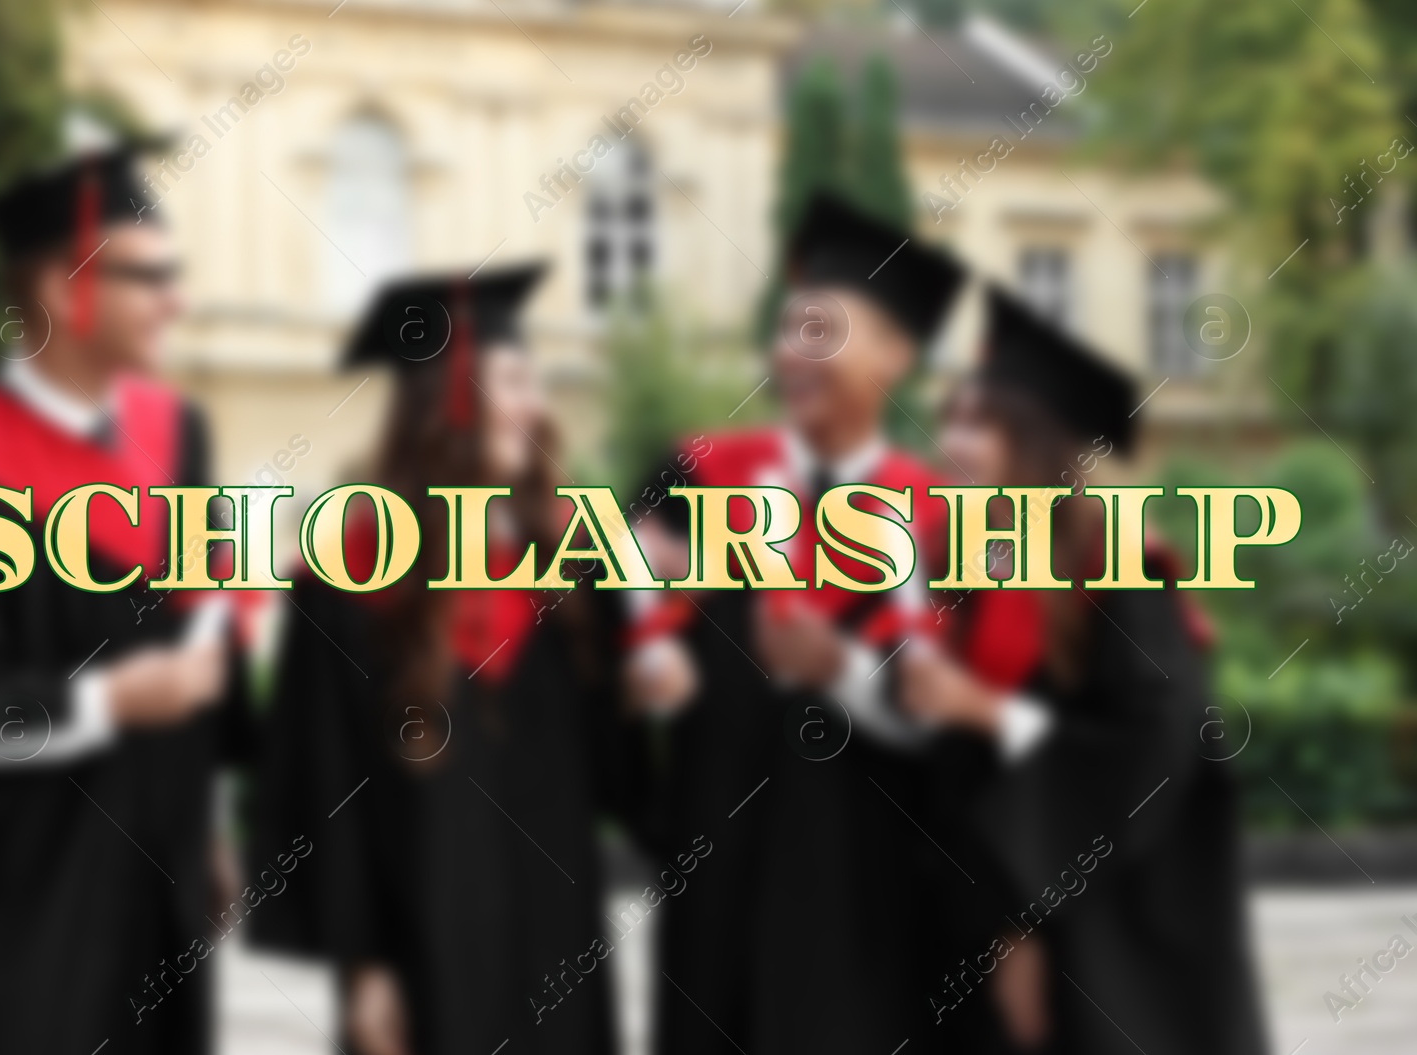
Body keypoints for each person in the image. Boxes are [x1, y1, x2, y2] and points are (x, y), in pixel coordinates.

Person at [0, 119, 251, 1055]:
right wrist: (110, 698)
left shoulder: (178, 436)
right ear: (62, 287)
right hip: (20, 909)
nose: (177, 302)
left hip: (154, 893)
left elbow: (203, 641)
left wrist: (207, 827)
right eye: (148, 277)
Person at [627, 190, 994, 1054]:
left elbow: (959, 731)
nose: (792, 351)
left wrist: (843, 672)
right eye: (787, 328)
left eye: (822, 329)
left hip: (870, 891)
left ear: (894, 355)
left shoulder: (940, 520)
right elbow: (611, 633)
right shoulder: (695, 478)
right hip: (719, 877)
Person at [248, 264, 631, 1055]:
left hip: (558, 952)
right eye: (515, 380)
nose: (538, 406)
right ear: (451, 396)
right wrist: (363, 967)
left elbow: (622, 769)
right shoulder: (348, 577)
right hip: (419, 966)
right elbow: (325, 789)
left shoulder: (576, 566)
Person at [897, 287, 1268, 1054]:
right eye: (950, 422)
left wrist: (989, 713)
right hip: (981, 932)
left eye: (980, 424)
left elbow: (1147, 760)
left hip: (1110, 947)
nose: (953, 444)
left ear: (1034, 443)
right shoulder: (965, 571)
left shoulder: (1121, 571)